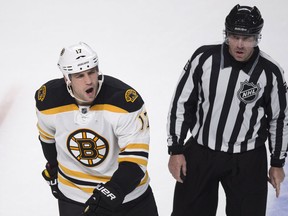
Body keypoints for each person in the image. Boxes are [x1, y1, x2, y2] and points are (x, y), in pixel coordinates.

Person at [166, 4, 288, 216]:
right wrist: (176, 149)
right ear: (226, 34)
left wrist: (277, 162)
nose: (240, 44)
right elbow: (182, 102)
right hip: (202, 152)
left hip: (248, 159)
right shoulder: (204, 58)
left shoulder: (271, 72)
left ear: (257, 37)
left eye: (248, 38)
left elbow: (279, 118)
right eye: (234, 36)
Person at [35, 42, 158, 216]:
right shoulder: (48, 100)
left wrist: (106, 197)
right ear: (66, 78)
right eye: (79, 75)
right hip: (74, 197)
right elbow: (47, 139)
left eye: (92, 71)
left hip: (129, 198)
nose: (89, 80)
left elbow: (135, 163)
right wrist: (53, 167)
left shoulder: (125, 101)